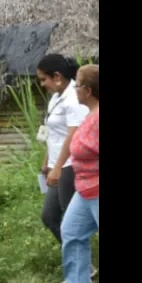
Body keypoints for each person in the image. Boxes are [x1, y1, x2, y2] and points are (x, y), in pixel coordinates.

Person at [50, 64, 99, 283]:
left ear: (87, 90)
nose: (75, 89)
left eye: (78, 85)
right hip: (85, 189)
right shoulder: (91, 115)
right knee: (72, 232)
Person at [35, 55, 88, 247]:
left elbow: (73, 135)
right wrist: (47, 161)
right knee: (49, 217)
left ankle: (81, 269)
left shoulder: (74, 98)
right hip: (57, 163)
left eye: (43, 79)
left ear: (57, 76)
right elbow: (55, 134)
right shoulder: (56, 97)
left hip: (69, 166)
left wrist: (57, 168)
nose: (42, 84)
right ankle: (83, 266)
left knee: (71, 221)